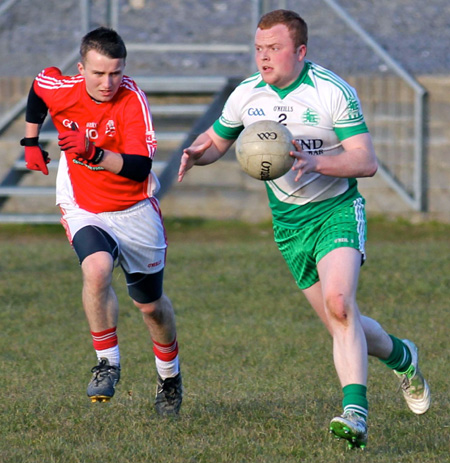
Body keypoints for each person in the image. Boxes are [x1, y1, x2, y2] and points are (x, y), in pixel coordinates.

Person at [178, 9, 430, 448]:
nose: (263, 57)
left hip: (336, 210)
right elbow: (219, 140)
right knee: (340, 323)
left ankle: (355, 414)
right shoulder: (246, 95)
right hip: (289, 225)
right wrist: (199, 154)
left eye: (273, 48)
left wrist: (318, 162)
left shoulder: (331, 92)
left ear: (300, 50)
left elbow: (365, 161)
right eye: (258, 48)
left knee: (339, 304)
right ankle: (403, 355)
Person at [21, 27, 182, 416]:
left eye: (115, 72)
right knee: (96, 269)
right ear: (82, 68)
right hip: (84, 205)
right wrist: (30, 142)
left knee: (150, 307)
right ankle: (107, 361)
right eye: (98, 73)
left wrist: (93, 152)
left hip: (134, 209)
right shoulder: (65, 88)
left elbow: (140, 167)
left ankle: (170, 379)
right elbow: (39, 88)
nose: (108, 82)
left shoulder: (132, 100)